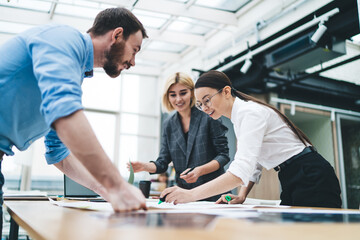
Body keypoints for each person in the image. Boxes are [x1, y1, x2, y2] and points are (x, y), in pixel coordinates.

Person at [0, 7, 148, 231]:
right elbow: (64, 111)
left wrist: (103, 189)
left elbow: (59, 153)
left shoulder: (74, 70)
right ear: (117, 35)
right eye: (134, 50)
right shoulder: (64, 39)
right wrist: (117, 186)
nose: (133, 62)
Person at [160, 70, 342, 208]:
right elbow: (253, 165)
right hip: (292, 175)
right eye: (200, 104)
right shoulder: (239, 118)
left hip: (310, 174)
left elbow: (240, 171)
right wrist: (242, 195)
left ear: (226, 91)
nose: (205, 107)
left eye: (207, 100)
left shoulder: (250, 113)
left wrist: (190, 195)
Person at [127, 72, 230, 201]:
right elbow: (162, 162)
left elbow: (223, 155)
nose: (178, 99)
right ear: (167, 97)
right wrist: (144, 166)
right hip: (184, 195)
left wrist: (200, 171)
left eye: (183, 93)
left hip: (213, 193)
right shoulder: (169, 124)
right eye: (173, 95)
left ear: (192, 93)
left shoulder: (208, 115)